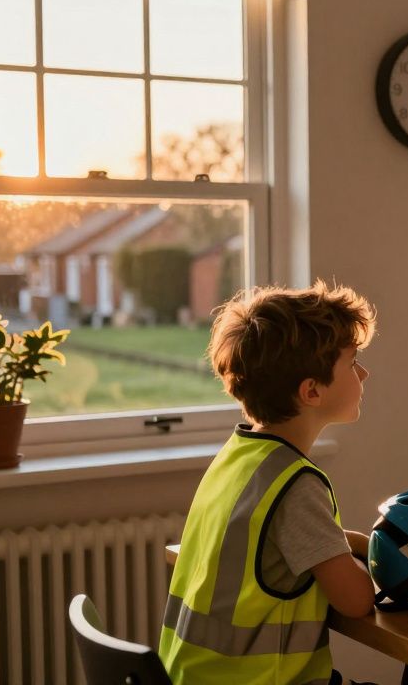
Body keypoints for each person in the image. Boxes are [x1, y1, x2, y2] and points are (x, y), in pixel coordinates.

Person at [159, 280, 379, 685]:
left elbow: (274, 537)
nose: (364, 372)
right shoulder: (296, 485)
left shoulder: (238, 456)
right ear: (311, 391)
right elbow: (356, 599)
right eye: (351, 363)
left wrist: (346, 541)